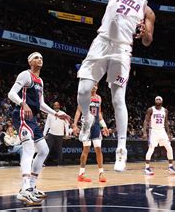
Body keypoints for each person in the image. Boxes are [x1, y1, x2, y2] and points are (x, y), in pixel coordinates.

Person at [76, 0, 156, 172]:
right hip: (100, 43)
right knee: (83, 90)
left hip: (122, 49)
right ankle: (86, 121)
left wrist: (144, 33)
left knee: (117, 98)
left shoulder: (147, 9)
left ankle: (122, 148)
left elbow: (148, 40)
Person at [8, 52, 71, 206]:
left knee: (43, 150)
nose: (40, 60)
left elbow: (41, 104)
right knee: (29, 148)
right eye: (36, 58)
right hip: (22, 114)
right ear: (30, 62)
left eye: (42, 58)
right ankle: (24, 188)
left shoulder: (40, 81)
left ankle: (32, 185)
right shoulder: (25, 75)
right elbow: (11, 94)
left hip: (33, 119)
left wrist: (57, 114)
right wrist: (23, 103)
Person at [72, 83, 109, 183]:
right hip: (86, 126)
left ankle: (101, 173)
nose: (94, 86)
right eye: (93, 84)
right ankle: (81, 174)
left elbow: (99, 113)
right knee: (86, 150)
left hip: (96, 126)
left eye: (96, 84)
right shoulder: (84, 97)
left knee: (98, 149)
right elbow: (78, 111)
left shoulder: (99, 98)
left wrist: (104, 126)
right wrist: (75, 124)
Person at [142, 96, 175, 175]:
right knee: (151, 149)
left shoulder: (165, 110)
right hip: (153, 131)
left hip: (162, 131)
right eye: (156, 99)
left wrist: (168, 133)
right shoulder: (151, 109)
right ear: (155, 101)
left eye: (159, 99)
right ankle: (147, 168)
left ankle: (170, 167)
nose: (158, 100)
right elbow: (146, 121)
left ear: (162, 101)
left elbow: (166, 122)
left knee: (169, 148)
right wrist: (144, 132)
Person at [44, 101, 68, 166]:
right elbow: (47, 124)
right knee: (47, 149)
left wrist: (67, 133)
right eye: (55, 105)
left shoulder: (63, 114)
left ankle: (60, 163)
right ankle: (43, 162)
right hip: (51, 133)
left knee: (59, 149)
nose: (56, 106)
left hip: (60, 134)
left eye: (57, 105)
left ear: (59, 106)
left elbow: (66, 124)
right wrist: (44, 133)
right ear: (53, 106)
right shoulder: (50, 113)